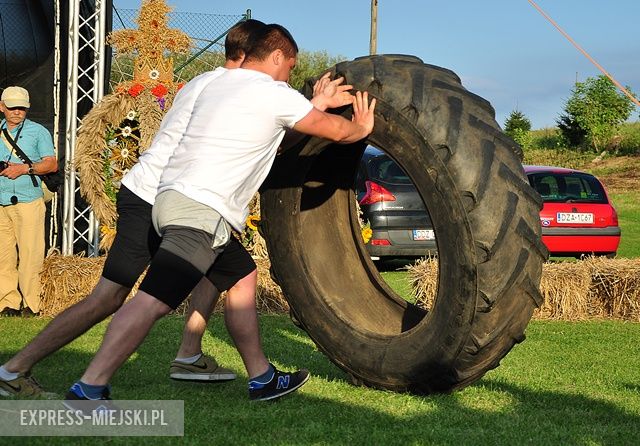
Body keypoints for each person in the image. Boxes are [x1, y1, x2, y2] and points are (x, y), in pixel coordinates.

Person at [65, 23, 376, 403]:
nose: (288, 76)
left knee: (243, 275)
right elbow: (334, 131)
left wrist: (315, 105)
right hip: (201, 212)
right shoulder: (273, 92)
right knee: (152, 301)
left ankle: (262, 378)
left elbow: (275, 137)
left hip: (172, 201)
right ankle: (90, 388)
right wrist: (358, 127)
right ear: (278, 56)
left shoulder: (216, 85)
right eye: (290, 67)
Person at [0, 19, 263, 398]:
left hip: (162, 197)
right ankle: (34, 373)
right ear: (252, 55)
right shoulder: (228, 90)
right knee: (111, 297)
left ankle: (193, 356)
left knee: (229, 266)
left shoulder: (205, 84)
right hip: (159, 200)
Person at [0, 86, 58, 317]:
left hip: (28, 201)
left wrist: (25, 168)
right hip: (1, 201)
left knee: (31, 255)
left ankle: (31, 304)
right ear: (2, 107)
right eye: (12, 107)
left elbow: (52, 164)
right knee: (3, 255)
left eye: (21, 107)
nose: (17, 111)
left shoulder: (38, 132)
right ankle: (7, 303)